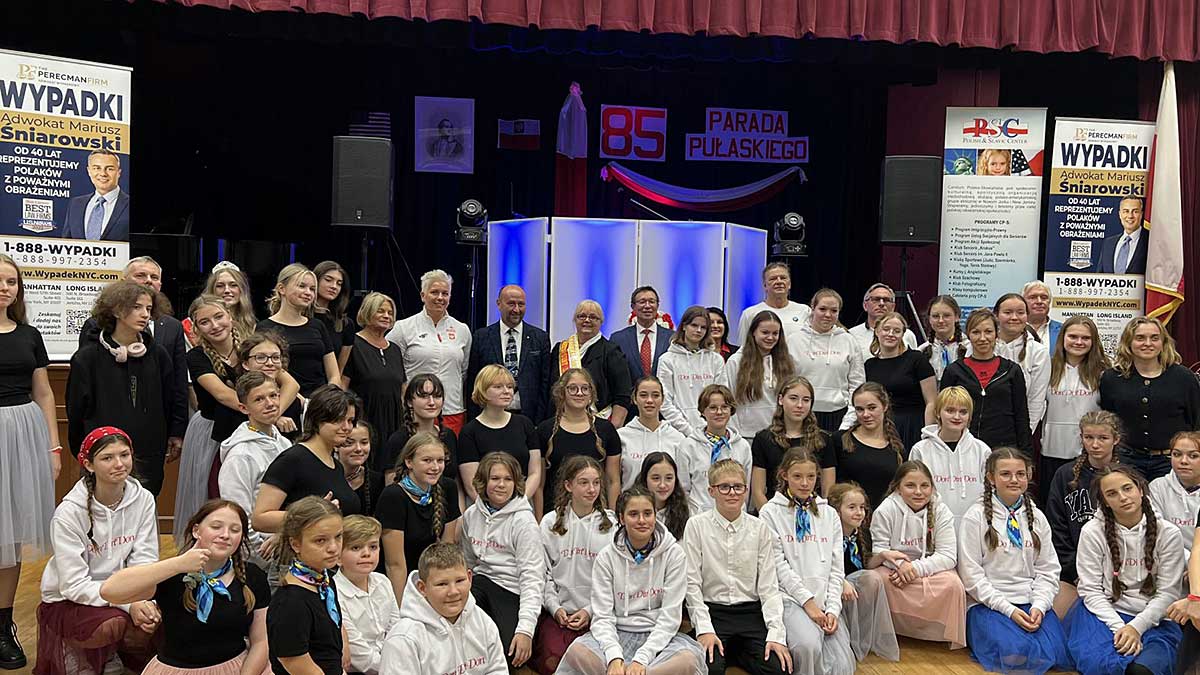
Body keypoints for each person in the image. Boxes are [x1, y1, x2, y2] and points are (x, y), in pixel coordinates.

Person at [35, 428, 159, 675]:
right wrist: (128, 604)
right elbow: (73, 584)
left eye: (124, 455)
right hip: (71, 600)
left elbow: (145, 559)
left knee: (159, 614)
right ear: (89, 465)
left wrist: (142, 600)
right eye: (107, 458)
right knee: (113, 623)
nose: (119, 464)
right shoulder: (68, 513)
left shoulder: (143, 498)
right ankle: (84, 654)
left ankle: (112, 653)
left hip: (123, 591)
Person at [98, 499, 271, 675]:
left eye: (235, 530)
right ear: (196, 531)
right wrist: (178, 564)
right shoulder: (173, 574)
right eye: (216, 527)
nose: (225, 535)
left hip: (238, 667)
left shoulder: (252, 576)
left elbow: (261, 641)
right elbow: (109, 591)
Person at [555, 486, 705, 675]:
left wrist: (641, 660)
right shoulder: (606, 557)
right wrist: (614, 658)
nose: (642, 520)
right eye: (633, 514)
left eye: (647, 513)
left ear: (655, 516)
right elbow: (602, 616)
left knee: (688, 661)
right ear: (621, 518)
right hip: (617, 633)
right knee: (577, 652)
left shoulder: (674, 554)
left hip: (658, 637)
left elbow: (670, 617)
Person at [958, 448, 1070, 674]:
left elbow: (1048, 570)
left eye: (1020, 474)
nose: (1014, 480)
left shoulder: (1037, 517)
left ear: (1029, 476)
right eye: (1005, 474)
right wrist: (1008, 610)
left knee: (1055, 652)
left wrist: (1039, 606)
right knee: (1016, 653)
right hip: (989, 604)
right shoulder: (975, 517)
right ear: (991, 478)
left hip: (1029, 601)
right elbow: (971, 576)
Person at [1065, 465, 1185, 675]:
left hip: (1154, 619)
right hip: (1105, 616)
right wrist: (1120, 628)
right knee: (1104, 666)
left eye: (1127, 488)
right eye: (1112, 494)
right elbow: (1090, 590)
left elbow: (1168, 593)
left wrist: (1135, 628)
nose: (1122, 497)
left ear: (1140, 489)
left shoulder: (1169, 533)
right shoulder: (1092, 532)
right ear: (1105, 502)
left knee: (1141, 670)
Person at [68, 280, 184, 497]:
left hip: (149, 448)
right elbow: (76, 410)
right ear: (117, 310)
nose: (145, 314)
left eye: (148, 308)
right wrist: (83, 450)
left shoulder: (158, 354)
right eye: (137, 307)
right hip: (104, 449)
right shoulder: (88, 357)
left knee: (145, 501)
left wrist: (175, 433)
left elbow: (172, 396)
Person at [0, 254, 58, 669]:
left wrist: (53, 447)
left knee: (11, 537)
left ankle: (3, 626)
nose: (4, 288)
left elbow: (44, 393)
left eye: (11, 282)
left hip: (22, 437)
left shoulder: (30, 335)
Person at [683, 459, 793, 675]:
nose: (732, 493)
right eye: (724, 487)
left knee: (779, 668)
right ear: (711, 491)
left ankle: (736, 652)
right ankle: (730, 652)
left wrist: (776, 634)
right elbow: (691, 583)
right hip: (713, 612)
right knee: (708, 669)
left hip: (750, 613)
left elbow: (769, 587)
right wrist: (704, 629)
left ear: (746, 490)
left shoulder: (759, 528)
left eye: (738, 487)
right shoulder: (696, 525)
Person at [757, 449, 856, 675]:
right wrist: (809, 604)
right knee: (807, 647)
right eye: (797, 476)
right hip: (790, 598)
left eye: (810, 476)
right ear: (784, 475)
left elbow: (836, 568)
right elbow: (778, 566)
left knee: (841, 664)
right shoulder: (770, 513)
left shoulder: (829, 514)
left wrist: (833, 609)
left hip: (824, 599)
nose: (805, 483)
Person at [459, 452, 545, 670]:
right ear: (483, 481)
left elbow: (532, 578)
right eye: (495, 478)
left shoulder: (524, 522)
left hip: (512, 590)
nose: (501, 485)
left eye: (508, 479)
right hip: (480, 584)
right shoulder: (471, 514)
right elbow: (467, 563)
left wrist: (525, 630)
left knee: (511, 652)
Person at [869, 460, 966, 649]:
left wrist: (914, 569)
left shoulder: (941, 510)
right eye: (910, 486)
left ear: (932, 488)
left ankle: (935, 635)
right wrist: (900, 566)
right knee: (876, 580)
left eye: (924, 486)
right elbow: (879, 550)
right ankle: (889, 631)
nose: (919, 492)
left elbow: (947, 556)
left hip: (928, 568)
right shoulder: (885, 510)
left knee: (953, 585)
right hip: (894, 569)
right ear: (897, 487)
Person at [533, 456, 615, 674]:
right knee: (553, 661)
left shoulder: (612, 525)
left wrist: (589, 611)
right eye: (584, 482)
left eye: (596, 482)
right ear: (568, 485)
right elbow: (543, 574)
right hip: (560, 616)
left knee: (594, 662)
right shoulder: (549, 522)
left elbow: (615, 580)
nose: (592, 489)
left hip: (598, 615)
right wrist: (555, 608)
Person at [175, 295, 243, 545]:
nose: (214, 325)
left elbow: (284, 380)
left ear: (230, 317)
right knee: (213, 494)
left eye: (218, 317)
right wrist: (261, 410)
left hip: (249, 428)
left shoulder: (250, 349)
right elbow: (223, 395)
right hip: (213, 433)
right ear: (196, 328)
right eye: (205, 322)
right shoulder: (197, 357)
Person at [252, 385, 363, 537]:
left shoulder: (336, 464)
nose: (346, 427)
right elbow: (260, 519)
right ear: (318, 419)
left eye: (350, 420)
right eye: (338, 420)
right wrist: (313, 514)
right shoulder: (293, 459)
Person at [380, 543, 508, 675]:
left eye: (459, 581)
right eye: (442, 584)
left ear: (469, 578)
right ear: (422, 588)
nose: (453, 592)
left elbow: (497, 670)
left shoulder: (482, 621)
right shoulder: (404, 639)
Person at [1100, 316, 1200, 481]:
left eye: (1154, 338)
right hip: (1126, 459)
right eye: (1140, 338)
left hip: (1172, 461)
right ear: (1129, 342)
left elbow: (1196, 422)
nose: (1148, 343)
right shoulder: (1112, 378)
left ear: (1163, 343)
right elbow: (1108, 420)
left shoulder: (1184, 378)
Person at [1046, 411, 1123, 606]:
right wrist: (1075, 572)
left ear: (1116, 439)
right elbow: (1056, 528)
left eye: (1103, 438)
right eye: (1089, 437)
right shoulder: (1065, 475)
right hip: (1073, 573)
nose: (1095, 445)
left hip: (1120, 573)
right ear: (1081, 438)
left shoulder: (1127, 476)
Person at [217, 371, 292, 570]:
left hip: (288, 542)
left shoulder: (284, 443)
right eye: (259, 399)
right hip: (262, 556)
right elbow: (238, 514)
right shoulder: (240, 456)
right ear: (244, 408)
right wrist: (261, 558)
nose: (270, 403)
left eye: (273, 395)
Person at [377, 431, 461, 601]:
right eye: (427, 460)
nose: (435, 467)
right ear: (409, 462)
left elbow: (447, 548)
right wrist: (401, 609)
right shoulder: (393, 496)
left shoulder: (448, 488)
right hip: (400, 582)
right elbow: (394, 565)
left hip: (431, 579)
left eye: (440, 460)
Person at [267, 496, 346, 675]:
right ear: (295, 544)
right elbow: (294, 661)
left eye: (338, 536)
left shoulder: (324, 580)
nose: (333, 548)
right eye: (320, 540)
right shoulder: (290, 602)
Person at [388, 269, 472, 434]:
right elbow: (391, 368)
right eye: (434, 292)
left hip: (451, 411)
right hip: (415, 412)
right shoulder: (403, 328)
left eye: (445, 293)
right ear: (423, 295)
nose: (440, 297)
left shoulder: (462, 330)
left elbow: (463, 371)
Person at [940, 309, 1033, 455]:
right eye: (976, 332)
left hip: (1004, 450)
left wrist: (1026, 456)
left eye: (988, 332)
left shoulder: (1012, 370)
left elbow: (1021, 416)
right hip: (963, 448)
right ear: (968, 335)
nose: (982, 338)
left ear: (996, 334)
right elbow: (943, 413)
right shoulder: (954, 371)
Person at [826, 482, 899, 664]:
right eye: (852, 507)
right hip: (831, 585)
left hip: (853, 586)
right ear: (837, 510)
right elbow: (823, 566)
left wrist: (883, 555)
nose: (859, 512)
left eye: (862, 507)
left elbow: (866, 565)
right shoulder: (827, 534)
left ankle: (861, 635)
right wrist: (842, 582)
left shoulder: (861, 533)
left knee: (873, 578)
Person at [1042, 315, 1108, 503]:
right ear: (1062, 337)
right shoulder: (1048, 367)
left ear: (1093, 341)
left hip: (1090, 453)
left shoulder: (1104, 371)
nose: (1079, 342)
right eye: (1073, 336)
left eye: (1085, 338)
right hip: (1052, 449)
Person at [457, 365, 542, 506]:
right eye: (498, 387)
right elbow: (471, 484)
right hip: (485, 508)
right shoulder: (469, 432)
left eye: (510, 386)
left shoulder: (525, 424)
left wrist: (518, 503)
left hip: (522, 505)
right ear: (482, 390)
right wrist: (494, 506)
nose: (506, 391)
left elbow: (535, 472)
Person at [466, 285, 552, 424]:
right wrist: (474, 420)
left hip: (528, 419)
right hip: (490, 417)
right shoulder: (481, 337)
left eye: (521, 304)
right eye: (511, 304)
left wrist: (539, 423)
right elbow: (473, 381)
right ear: (499, 304)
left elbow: (545, 384)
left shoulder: (540, 338)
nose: (516, 309)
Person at [538, 368, 623, 508]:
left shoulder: (606, 430)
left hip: (596, 513)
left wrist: (613, 516)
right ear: (562, 392)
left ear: (591, 393)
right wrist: (539, 518)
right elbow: (539, 485)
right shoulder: (545, 430)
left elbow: (612, 481)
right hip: (555, 513)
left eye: (585, 388)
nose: (579, 393)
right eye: (573, 388)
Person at [908, 385, 990, 527]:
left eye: (963, 412)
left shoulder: (982, 450)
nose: (957, 417)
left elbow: (989, 492)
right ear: (938, 413)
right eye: (950, 411)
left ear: (970, 416)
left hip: (974, 527)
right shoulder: (920, 450)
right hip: (933, 525)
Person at [750, 376, 834, 510]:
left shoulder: (823, 439)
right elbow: (757, 491)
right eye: (793, 398)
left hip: (812, 512)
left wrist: (820, 517)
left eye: (806, 400)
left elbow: (828, 491)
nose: (800, 405)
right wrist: (770, 518)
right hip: (774, 513)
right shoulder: (764, 439)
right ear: (781, 399)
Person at [257, 263, 339, 398]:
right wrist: (300, 401)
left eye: (312, 289)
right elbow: (266, 373)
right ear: (282, 289)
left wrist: (329, 397)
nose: (308, 293)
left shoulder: (318, 326)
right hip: (286, 400)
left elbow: (334, 374)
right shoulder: (265, 328)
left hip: (322, 401)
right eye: (302, 286)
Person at [792, 288, 864, 434]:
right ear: (812, 308)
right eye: (822, 309)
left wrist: (849, 421)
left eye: (834, 311)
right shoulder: (794, 340)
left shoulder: (849, 340)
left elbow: (857, 384)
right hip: (802, 414)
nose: (828, 315)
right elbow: (786, 382)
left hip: (839, 415)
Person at [551, 299, 633, 427]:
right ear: (575, 320)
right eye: (582, 316)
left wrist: (613, 427)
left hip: (599, 420)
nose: (587, 320)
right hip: (563, 420)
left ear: (601, 322)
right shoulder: (560, 349)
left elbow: (622, 394)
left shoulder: (611, 351)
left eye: (593, 317)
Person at [333, 515, 399, 675]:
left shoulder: (383, 581)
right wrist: (399, 668)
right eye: (356, 548)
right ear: (338, 557)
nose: (366, 553)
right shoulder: (335, 593)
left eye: (373, 547)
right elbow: (360, 657)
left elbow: (396, 629)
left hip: (393, 662)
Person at [344, 292, 407, 453]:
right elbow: (342, 387)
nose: (386, 316)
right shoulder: (353, 345)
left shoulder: (394, 349)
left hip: (394, 423)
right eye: (380, 311)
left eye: (390, 313)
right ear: (367, 312)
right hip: (364, 422)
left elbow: (402, 389)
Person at [865, 311, 936, 448]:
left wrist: (928, 434)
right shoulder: (869, 365)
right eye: (886, 329)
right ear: (877, 331)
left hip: (913, 426)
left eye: (897, 331)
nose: (891, 334)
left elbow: (931, 401)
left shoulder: (917, 359)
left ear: (903, 335)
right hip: (882, 427)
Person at [677, 384, 752, 514]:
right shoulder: (688, 446)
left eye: (724, 407)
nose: (719, 412)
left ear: (731, 410)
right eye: (712, 408)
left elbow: (746, 488)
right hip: (699, 517)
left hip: (734, 516)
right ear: (703, 411)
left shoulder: (742, 446)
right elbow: (683, 489)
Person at [830, 383, 905, 509]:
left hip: (884, 517)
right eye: (860, 409)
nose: (865, 414)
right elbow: (829, 490)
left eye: (872, 408)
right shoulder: (839, 440)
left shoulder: (897, 448)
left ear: (885, 406)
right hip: (847, 517)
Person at [658, 305, 728, 436]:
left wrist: (709, 431)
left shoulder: (716, 360)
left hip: (711, 432)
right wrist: (688, 431)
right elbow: (665, 402)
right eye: (694, 325)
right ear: (684, 326)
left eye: (703, 327)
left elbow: (723, 398)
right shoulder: (667, 360)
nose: (698, 330)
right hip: (678, 432)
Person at [725, 309, 796, 439]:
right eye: (765, 332)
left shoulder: (786, 361)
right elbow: (728, 400)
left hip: (778, 434)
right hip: (745, 436)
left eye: (775, 333)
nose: (770, 337)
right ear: (753, 332)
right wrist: (734, 435)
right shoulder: (736, 361)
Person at [381, 373, 458, 486]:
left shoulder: (448, 436)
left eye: (437, 396)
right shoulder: (399, 439)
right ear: (409, 402)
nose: (431, 402)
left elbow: (455, 481)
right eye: (424, 396)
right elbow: (391, 485)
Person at [992, 293, 1051, 434]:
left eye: (1020, 313)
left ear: (1027, 316)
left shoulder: (1038, 352)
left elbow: (1036, 400)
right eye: (1007, 312)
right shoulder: (981, 346)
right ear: (996, 315)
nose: (1014, 317)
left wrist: (1025, 434)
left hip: (1022, 430)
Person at [618, 376, 686, 490]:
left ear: (662, 399)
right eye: (643, 395)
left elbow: (683, 483)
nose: (649, 400)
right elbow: (613, 480)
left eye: (655, 395)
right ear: (634, 399)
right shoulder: (621, 437)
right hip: (631, 500)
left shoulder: (677, 438)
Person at [235, 331, 302, 437]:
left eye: (275, 357)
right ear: (246, 364)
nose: (270, 363)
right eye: (260, 358)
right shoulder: (243, 395)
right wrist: (273, 419)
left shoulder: (285, 390)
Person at [734, 262, 811, 348]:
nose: (779, 281)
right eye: (773, 279)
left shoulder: (804, 311)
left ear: (789, 284)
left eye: (783, 278)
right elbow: (743, 347)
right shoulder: (750, 314)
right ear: (765, 285)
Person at [1149, 432, 1200, 556]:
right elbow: (1159, 534)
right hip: (1171, 558)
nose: (1183, 461)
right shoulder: (1158, 487)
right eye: (1177, 454)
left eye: (1193, 456)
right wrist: (1188, 561)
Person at [62, 150, 130, 241]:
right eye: (97, 168)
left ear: (119, 173)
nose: (103, 174)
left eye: (110, 169)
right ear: (89, 171)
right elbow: (66, 243)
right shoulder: (75, 204)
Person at [611, 286, 674, 382]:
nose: (647, 306)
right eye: (642, 302)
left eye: (652, 301)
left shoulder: (671, 338)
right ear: (633, 307)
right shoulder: (618, 339)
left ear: (657, 305)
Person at [848, 284, 918, 362]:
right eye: (876, 299)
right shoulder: (852, 335)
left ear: (893, 307)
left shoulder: (907, 335)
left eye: (886, 300)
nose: (881, 303)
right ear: (865, 305)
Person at [637, 451, 691, 542]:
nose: (662, 485)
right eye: (656, 478)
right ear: (644, 479)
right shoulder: (632, 510)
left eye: (669, 478)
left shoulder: (688, 512)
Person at [312, 260, 355, 369]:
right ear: (315, 280)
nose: (334, 286)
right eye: (328, 280)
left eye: (339, 283)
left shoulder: (345, 324)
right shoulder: (298, 317)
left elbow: (340, 369)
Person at [918, 295, 967, 383]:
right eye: (935, 316)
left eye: (946, 315)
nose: (941, 320)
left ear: (957, 317)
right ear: (929, 319)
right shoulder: (921, 351)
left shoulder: (970, 348)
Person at [203, 261, 257, 339]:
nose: (227, 290)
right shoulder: (197, 323)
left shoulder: (253, 326)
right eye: (220, 286)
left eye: (233, 285)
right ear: (212, 290)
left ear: (241, 289)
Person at [1096, 197, 1148, 275]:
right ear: (1120, 214)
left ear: (1141, 214)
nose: (1130, 216)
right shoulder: (1108, 243)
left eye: (1135, 211)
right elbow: (1099, 276)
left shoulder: (1150, 241)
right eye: (1126, 211)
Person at [341, 420, 383, 516]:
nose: (358, 449)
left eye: (364, 443)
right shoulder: (324, 478)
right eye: (349, 443)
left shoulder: (379, 481)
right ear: (336, 446)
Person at [1023, 281, 1063, 349]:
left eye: (1044, 298)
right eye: (1033, 297)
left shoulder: (1063, 330)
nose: (1039, 301)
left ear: (1049, 302)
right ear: (1023, 302)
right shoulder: (1014, 329)